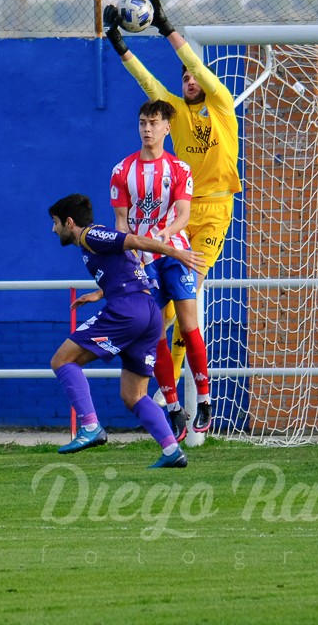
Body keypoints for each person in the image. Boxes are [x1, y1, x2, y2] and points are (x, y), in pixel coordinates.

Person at [103, 0, 242, 437]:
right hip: (174, 216)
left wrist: (165, 27)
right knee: (156, 316)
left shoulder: (221, 104)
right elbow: (147, 84)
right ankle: (172, 401)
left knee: (188, 304)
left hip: (212, 210)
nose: (188, 79)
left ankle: (196, 399)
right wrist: (119, 45)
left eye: (193, 75)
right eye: (183, 77)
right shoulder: (173, 113)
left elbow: (199, 67)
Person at [47, 193, 204, 468]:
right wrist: (100, 292)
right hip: (148, 313)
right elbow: (128, 263)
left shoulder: (89, 235)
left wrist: (176, 252)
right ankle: (172, 451)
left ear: (69, 222)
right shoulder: (94, 241)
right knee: (134, 395)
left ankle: (90, 427)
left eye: (55, 222)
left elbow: (132, 241)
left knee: (62, 360)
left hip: (128, 311)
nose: (53, 229)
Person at [94, 99, 211, 442]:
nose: (147, 128)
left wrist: (166, 234)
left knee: (189, 324)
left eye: (154, 123)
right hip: (143, 260)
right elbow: (120, 224)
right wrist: (128, 260)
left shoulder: (179, 169)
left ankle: (203, 398)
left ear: (166, 128)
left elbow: (184, 215)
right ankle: (173, 407)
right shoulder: (122, 171)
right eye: (143, 122)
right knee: (156, 331)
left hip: (176, 251)